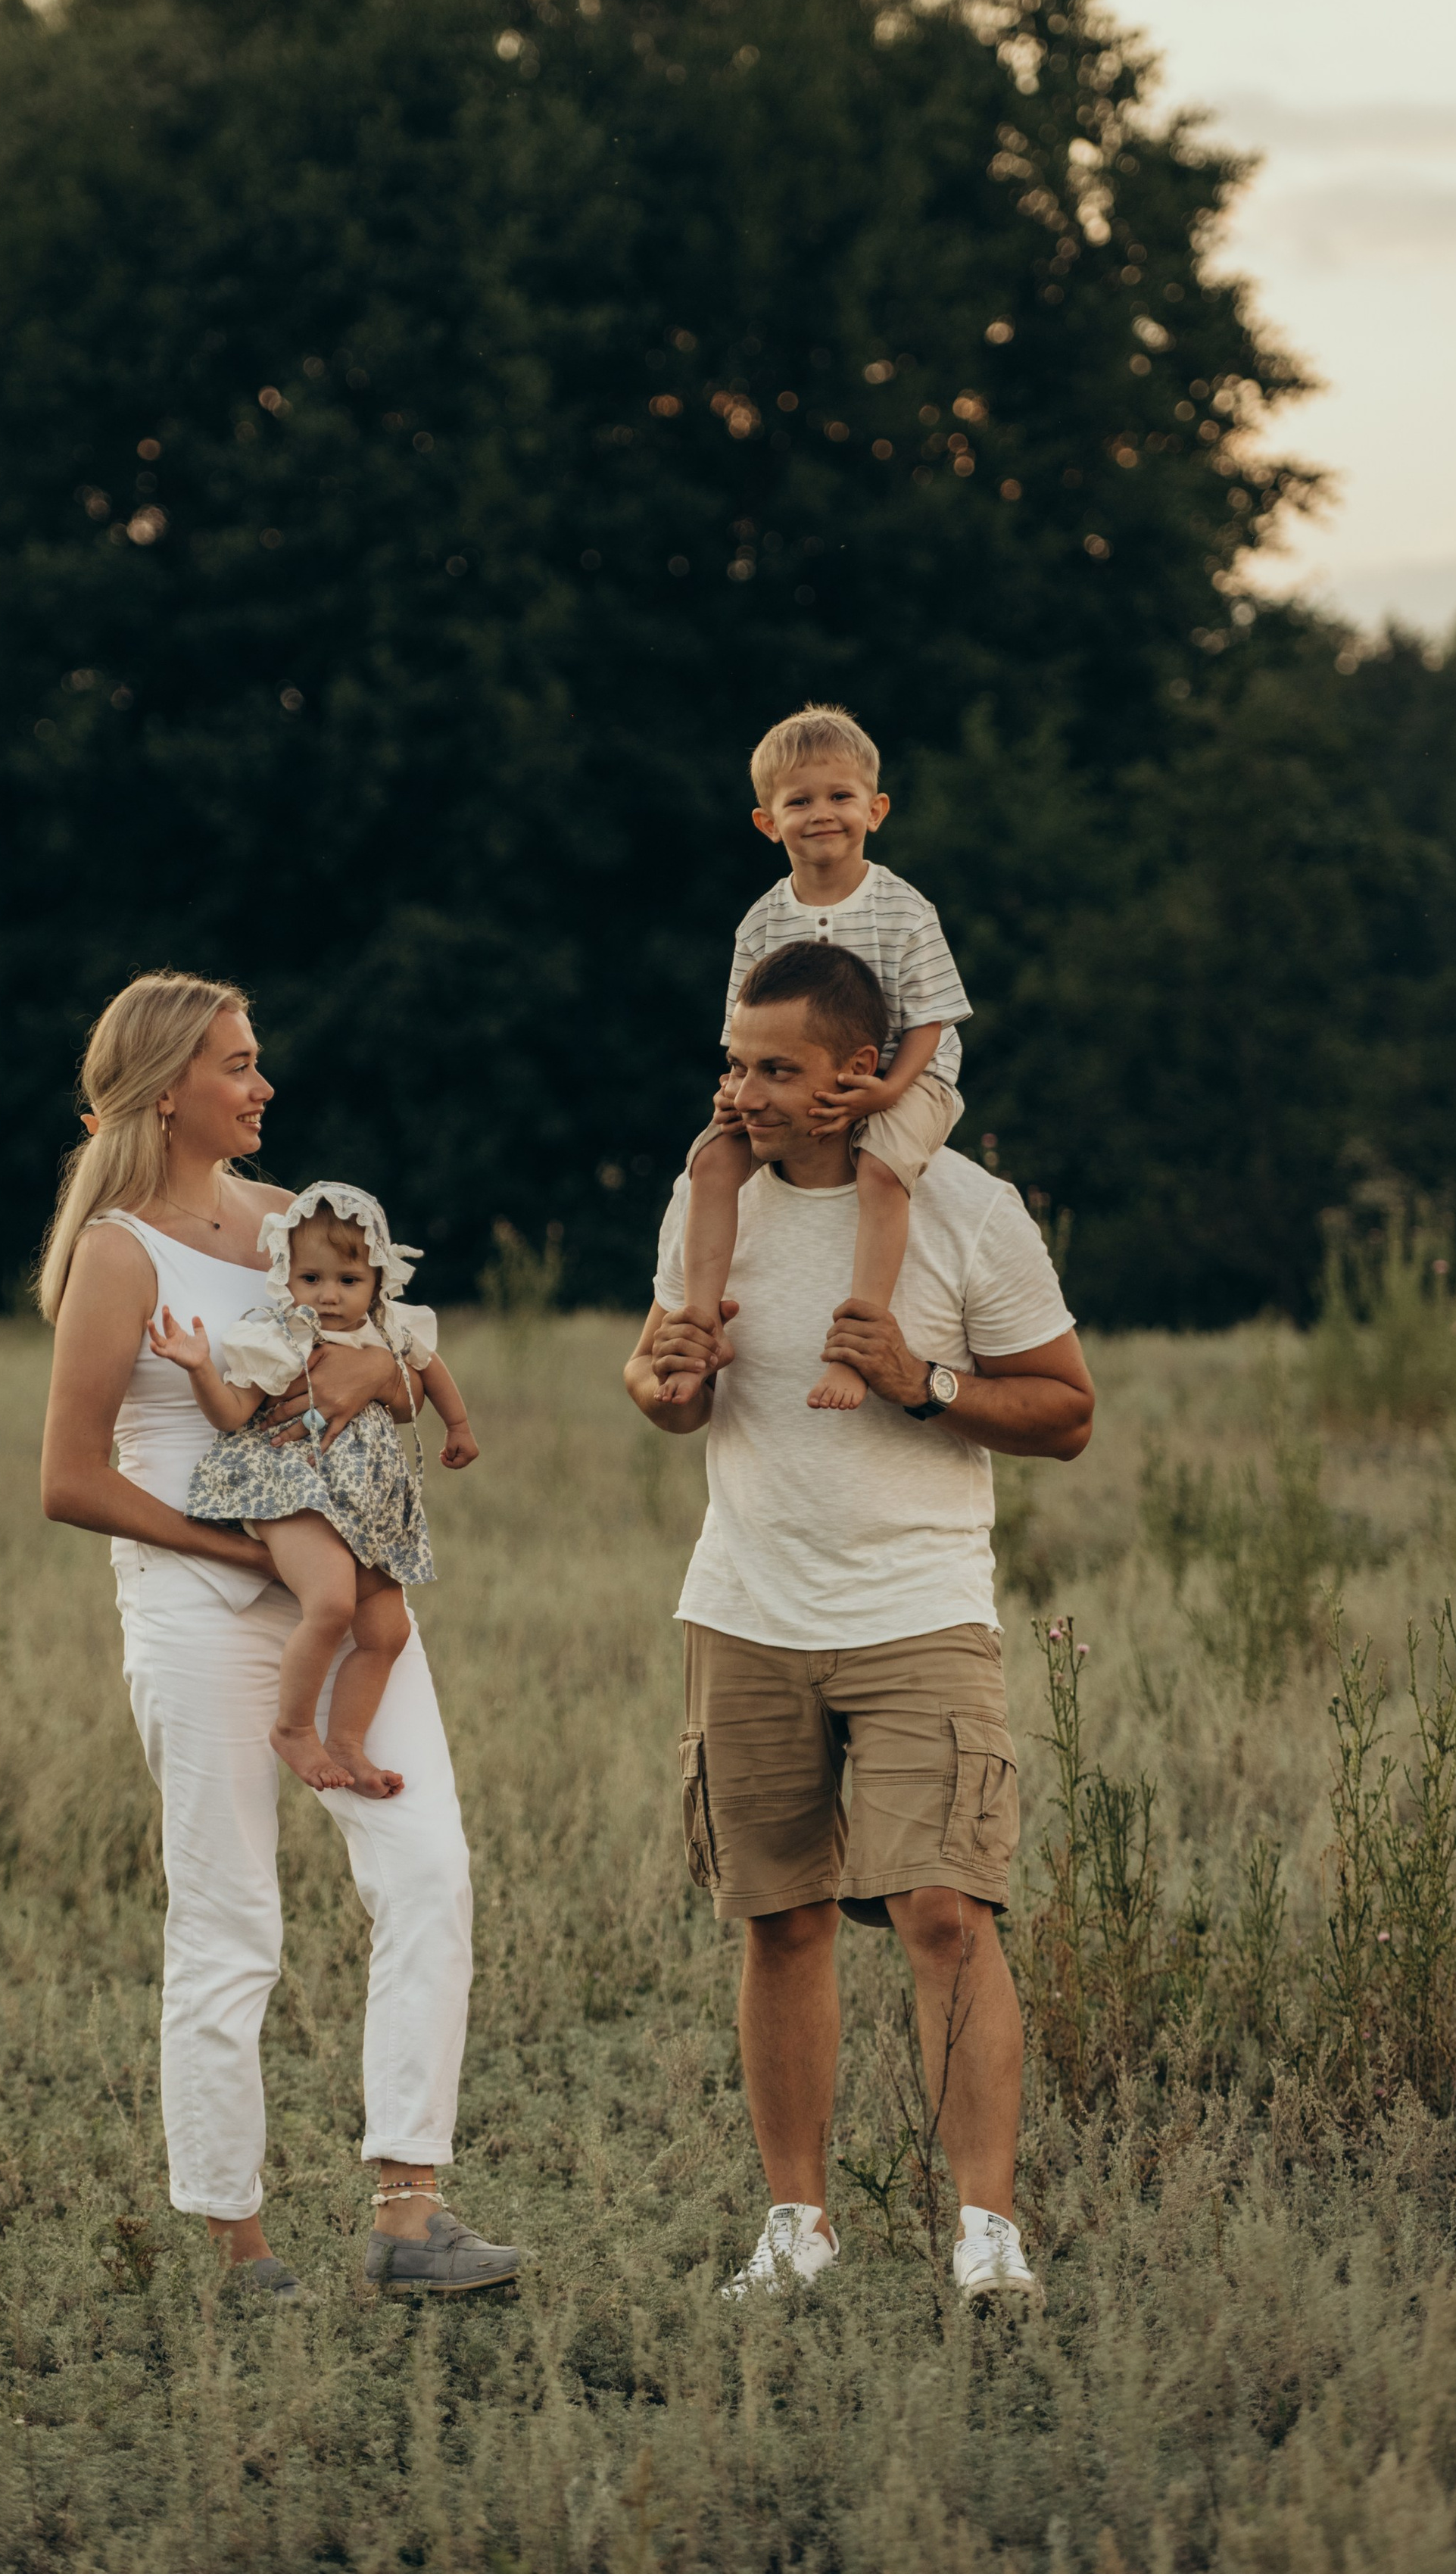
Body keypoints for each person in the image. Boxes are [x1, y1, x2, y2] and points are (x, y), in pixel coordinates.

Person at [623, 940, 1093, 2310]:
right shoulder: (709, 1197)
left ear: (856, 1077)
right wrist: (659, 1382)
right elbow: (665, 1384)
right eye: (734, 1065)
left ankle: (987, 2232)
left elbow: (1067, 1411)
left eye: (775, 1070)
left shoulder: (967, 1210)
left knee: (946, 1912)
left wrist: (923, 1380)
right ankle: (798, 2228)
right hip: (746, 1608)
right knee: (780, 1923)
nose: (742, 1094)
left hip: (918, 1612)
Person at [38, 971, 521, 2302]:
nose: (263, 1085)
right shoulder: (119, 1254)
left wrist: (388, 1378)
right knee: (230, 1919)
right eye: (238, 1065)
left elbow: (371, 1357)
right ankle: (237, 2244)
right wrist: (240, 1554)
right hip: (201, 1612)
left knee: (429, 1870)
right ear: (166, 1090)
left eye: (257, 1060)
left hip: (348, 1595)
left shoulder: (288, 1220)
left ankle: (410, 2213)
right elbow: (70, 1480)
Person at [662, 702, 971, 1416]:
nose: (822, 813)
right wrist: (734, 1085)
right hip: (790, 1085)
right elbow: (742, 1030)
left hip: (907, 1075)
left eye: (840, 796)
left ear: (876, 810)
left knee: (882, 1169)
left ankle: (857, 1346)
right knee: (710, 1162)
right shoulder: (761, 920)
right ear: (768, 823)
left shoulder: (904, 909)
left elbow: (931, 1019)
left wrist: (887, 1091)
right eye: (799, 801)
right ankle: (701, 1328)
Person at [148, 1180, 480, 1799]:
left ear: (377, 1281)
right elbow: (232, 1413)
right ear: (287, 1277)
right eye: (311, 1279)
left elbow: (431, 1370)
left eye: (348, 1281)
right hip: (291, 1488)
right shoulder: (281, 1335)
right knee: (331, 1604)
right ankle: (294, 1728)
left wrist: (458, 1426)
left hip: (365, 1506)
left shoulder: (391, 1332)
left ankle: (348, 1741)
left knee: (388, 1632)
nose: (328, 1295)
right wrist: (199, 1369)